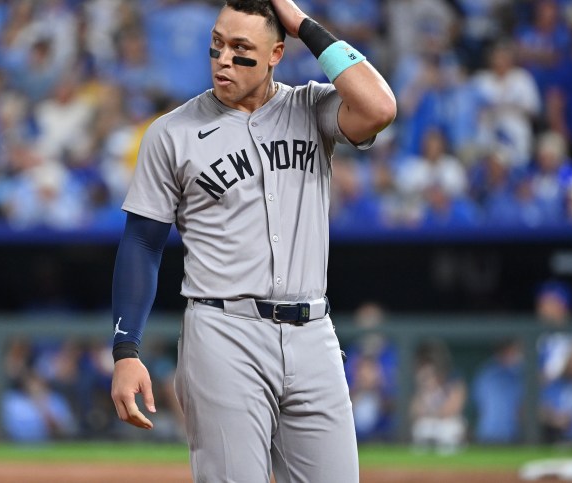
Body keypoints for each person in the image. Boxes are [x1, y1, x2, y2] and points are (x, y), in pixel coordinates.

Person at [109, 0, 396, 481]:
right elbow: (142, 244)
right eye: (217, 45)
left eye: (241, 49)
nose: (224, 58)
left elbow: (380, 107)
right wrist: (125, 349)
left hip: (313, 333)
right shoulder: (172, 132)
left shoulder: (311, 106)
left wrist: (303, 22)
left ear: (276, 53)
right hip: (224, 332)